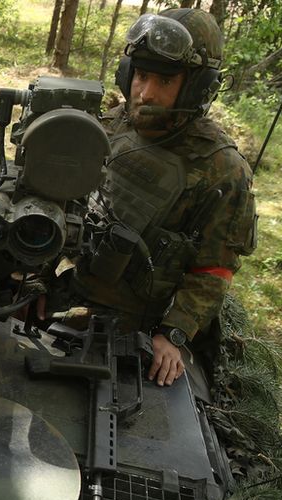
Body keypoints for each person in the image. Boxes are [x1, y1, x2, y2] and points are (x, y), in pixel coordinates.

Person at [33, 9, 256, 387]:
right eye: (142, 75)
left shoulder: (222, 168)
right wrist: (37, 280)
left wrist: (173, 334)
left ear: (196, 87)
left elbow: (213, 270)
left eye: (165, 80)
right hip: (74, 289)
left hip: (143, 324)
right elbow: (61, 205)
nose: (146, 92)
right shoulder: (109, 126)